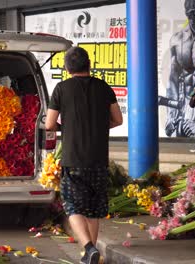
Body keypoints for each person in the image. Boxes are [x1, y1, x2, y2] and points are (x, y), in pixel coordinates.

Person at [45, 47, 123, 264]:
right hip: (99, 160)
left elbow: (50, 124)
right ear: (89, 64)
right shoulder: (103, 87)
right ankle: (91, 255)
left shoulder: (61, 89)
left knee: (72, 206)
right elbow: (118, 120)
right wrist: (98, 125)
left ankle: (88, 248)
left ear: (68, 67)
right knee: (93, 209)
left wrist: (68, 126)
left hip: (74, 159)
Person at [161, 0, 195, 137]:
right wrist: (171, 115)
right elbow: (173, 80)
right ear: (189, 16)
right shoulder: (178, 41)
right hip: (184, 114)